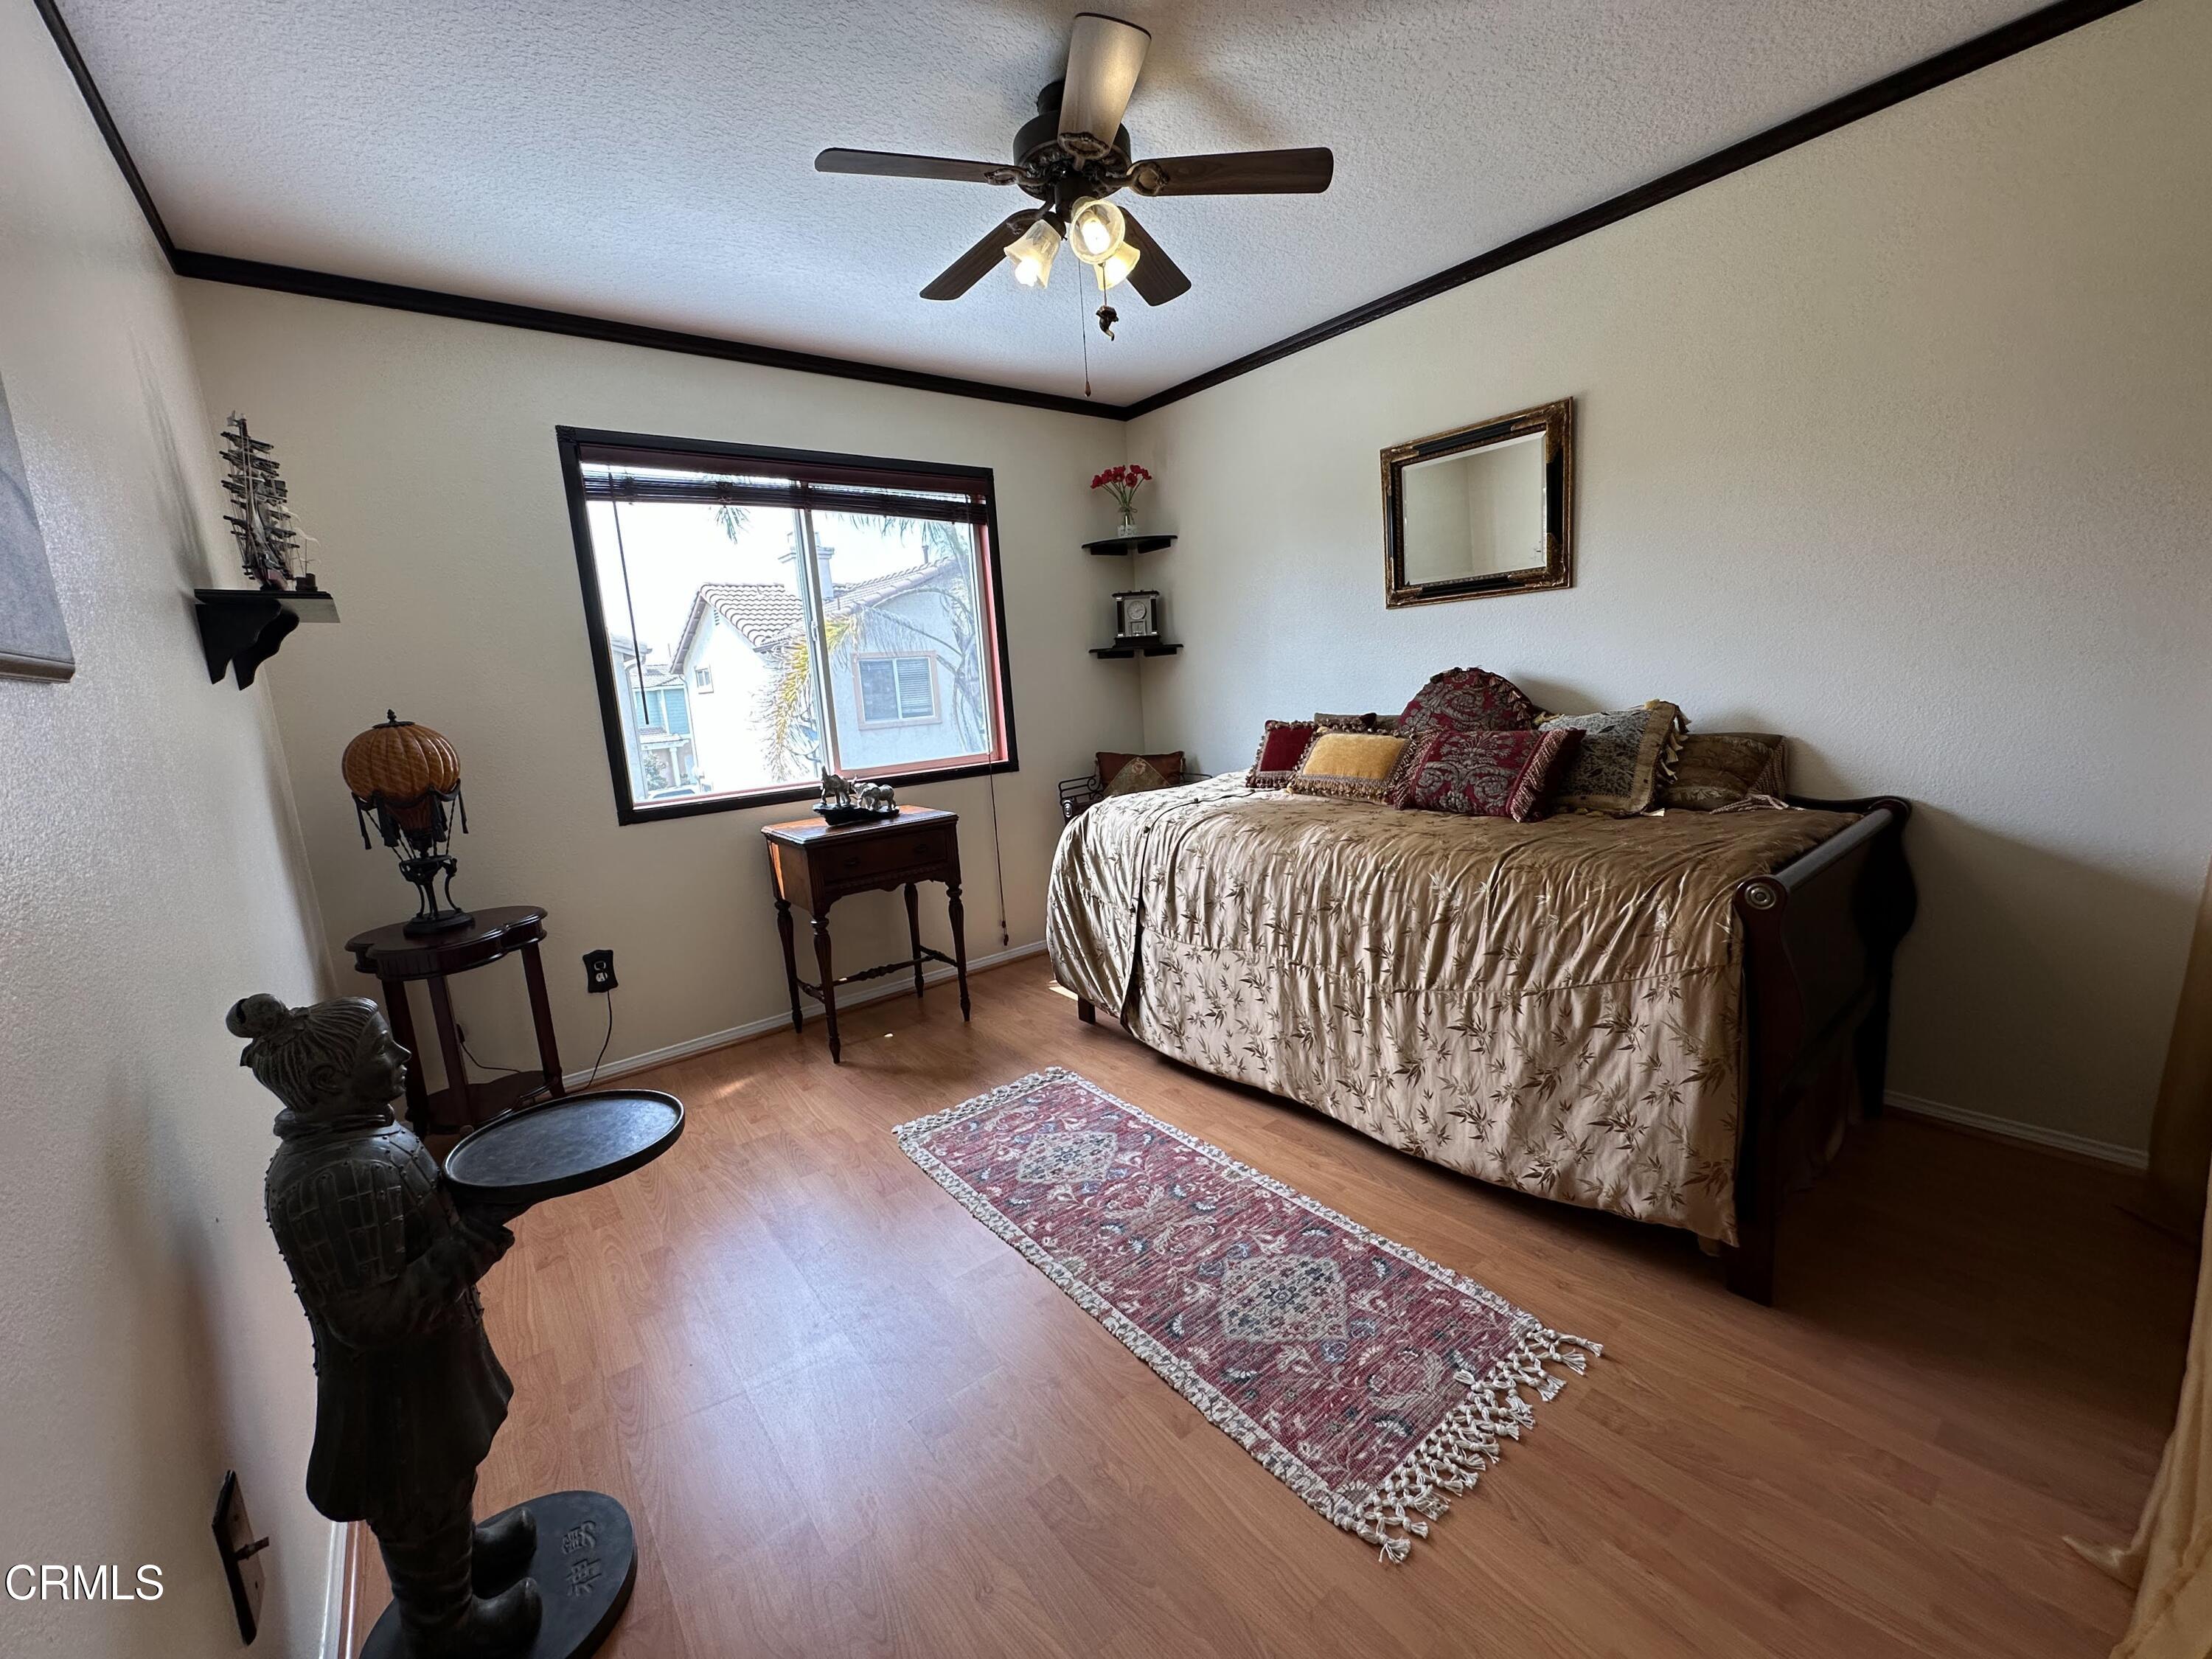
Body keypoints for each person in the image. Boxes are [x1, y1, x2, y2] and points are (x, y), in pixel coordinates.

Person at [230, 992, 540, 1657]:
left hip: (430, 1367)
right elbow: (374, 1318)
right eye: (381, 1051)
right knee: (417, 1498)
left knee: (444, 1484)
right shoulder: (339, 1177)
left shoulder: (364, 1139)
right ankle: (447, 1630)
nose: (401, 1057)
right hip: (393, 1392)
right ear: (323, 1083)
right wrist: (480, 1233)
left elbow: (415, 1221)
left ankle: (462, 1557)